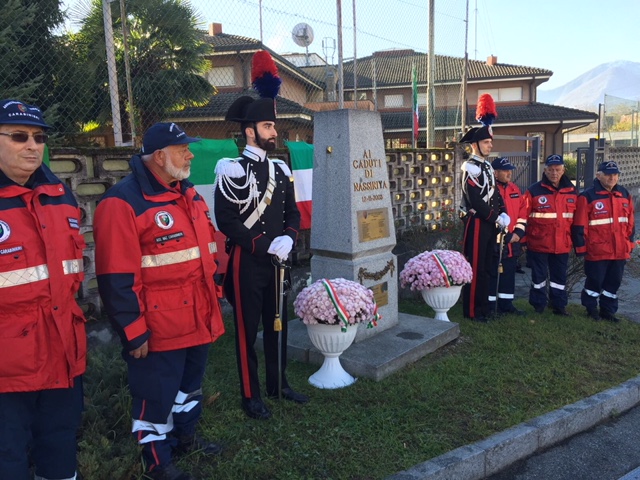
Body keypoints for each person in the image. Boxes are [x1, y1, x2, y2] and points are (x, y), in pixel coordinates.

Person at [94, 122, 226, 480]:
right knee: (155, 394)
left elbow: (205, 252)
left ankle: (186, 436)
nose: (191, 155)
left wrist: (216, 293)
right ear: (159, 156)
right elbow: (115, 277)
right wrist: (132, 330)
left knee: (189, 387)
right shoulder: (122, 202)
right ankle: (156, 460)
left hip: (198, 315)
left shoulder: (188, 193)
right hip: (159, 326)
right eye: (183, 150)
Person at [0, 99, 87, 480]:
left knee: (60, 446)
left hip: (61, 350)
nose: (32, 146)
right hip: (8, 365)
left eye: (39, 137)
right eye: (19, 136)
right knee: (7, 456)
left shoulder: (59, 194)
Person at [214, 94, 309, 420]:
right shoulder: (232, 169)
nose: (274, 132)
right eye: (268, 126)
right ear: (250, 131)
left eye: (273, 125)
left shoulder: (280, 169)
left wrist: (288, 237)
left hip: (277, 262)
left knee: (277, 324)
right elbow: (226, 220)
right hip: (248, 262)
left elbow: (292, 213)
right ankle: (250, 395)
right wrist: (263, 245)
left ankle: (278, 383)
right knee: (247, 329)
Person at [459, 94, 508, 323]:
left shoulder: (487, 166)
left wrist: (504, 211)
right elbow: (475, 200)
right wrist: (495, 217)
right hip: (479, 223)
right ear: (475, 144)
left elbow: (495, 193)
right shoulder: (470, 167)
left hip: (490, 223)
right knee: (476, 268)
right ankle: (472, 311)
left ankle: (485, 308)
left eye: (490, 142)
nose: (490, 145)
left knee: (488, 267)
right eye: (487, 142)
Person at [572, 161, 635, 322]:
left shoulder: (624, 194)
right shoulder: (588, 196)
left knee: (613, 283)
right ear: (598, 175)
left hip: (619, 250)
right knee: (595, 281)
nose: (612, 178)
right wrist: (581, 248)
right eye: (607, 174)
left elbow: (630, 223)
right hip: (597, 250)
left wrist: (629, 244)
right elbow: (580, 225)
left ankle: (608, 311)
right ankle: (591, 309)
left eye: (615, 174)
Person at [522, 154, 578, 316]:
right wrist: (523, 240)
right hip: (538, 242)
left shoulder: (572, 192)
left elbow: (577, 220)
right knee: (538, 278)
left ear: (563, 170)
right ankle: (538, 306)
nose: (554, 173)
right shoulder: (533, 191)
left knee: (559, 278)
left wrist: (577, 242)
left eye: (557, 169)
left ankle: (559, 306)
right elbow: (523, 217)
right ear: (545, 170)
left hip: (562, 244)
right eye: (551, 170)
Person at [488, 157, 526, 316]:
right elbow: (487, 217)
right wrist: (503, 235)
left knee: (509, 274)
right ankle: (490, 307)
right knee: (492, 275)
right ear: (495, 173)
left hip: (512, 242)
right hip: (494, 242)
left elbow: (522, 215)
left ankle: (506, 305)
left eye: (510, 170)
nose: (509, 173)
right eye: (505, 170)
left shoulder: (514, 189)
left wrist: (518, 233)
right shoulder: (489, 190)